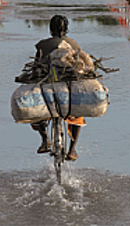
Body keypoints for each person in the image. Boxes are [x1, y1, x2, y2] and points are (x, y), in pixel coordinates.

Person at [30, 15, 85, 161]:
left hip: (48, 90)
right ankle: (72, 150)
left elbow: (36, 68)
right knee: (78, 115)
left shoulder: (42, 45)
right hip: (68, 92)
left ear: (50, 29)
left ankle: (44, 140)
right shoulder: (73, 44)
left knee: (35, 109)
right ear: (66, 29)